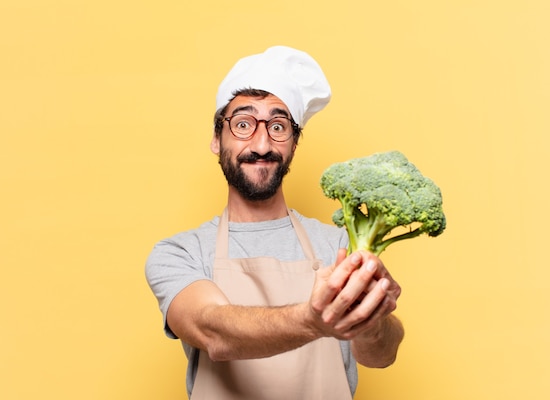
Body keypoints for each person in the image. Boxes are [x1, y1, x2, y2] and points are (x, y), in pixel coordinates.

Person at [145, 45, 404, 400]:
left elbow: (382, 356)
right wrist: (314, 320)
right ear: (217, 140)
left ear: (294, 145)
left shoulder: (340, 244)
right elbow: (214, 333)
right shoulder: (181, 252)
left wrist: (371, 322)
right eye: (243, 124)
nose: (262, 143)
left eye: (279, 126)